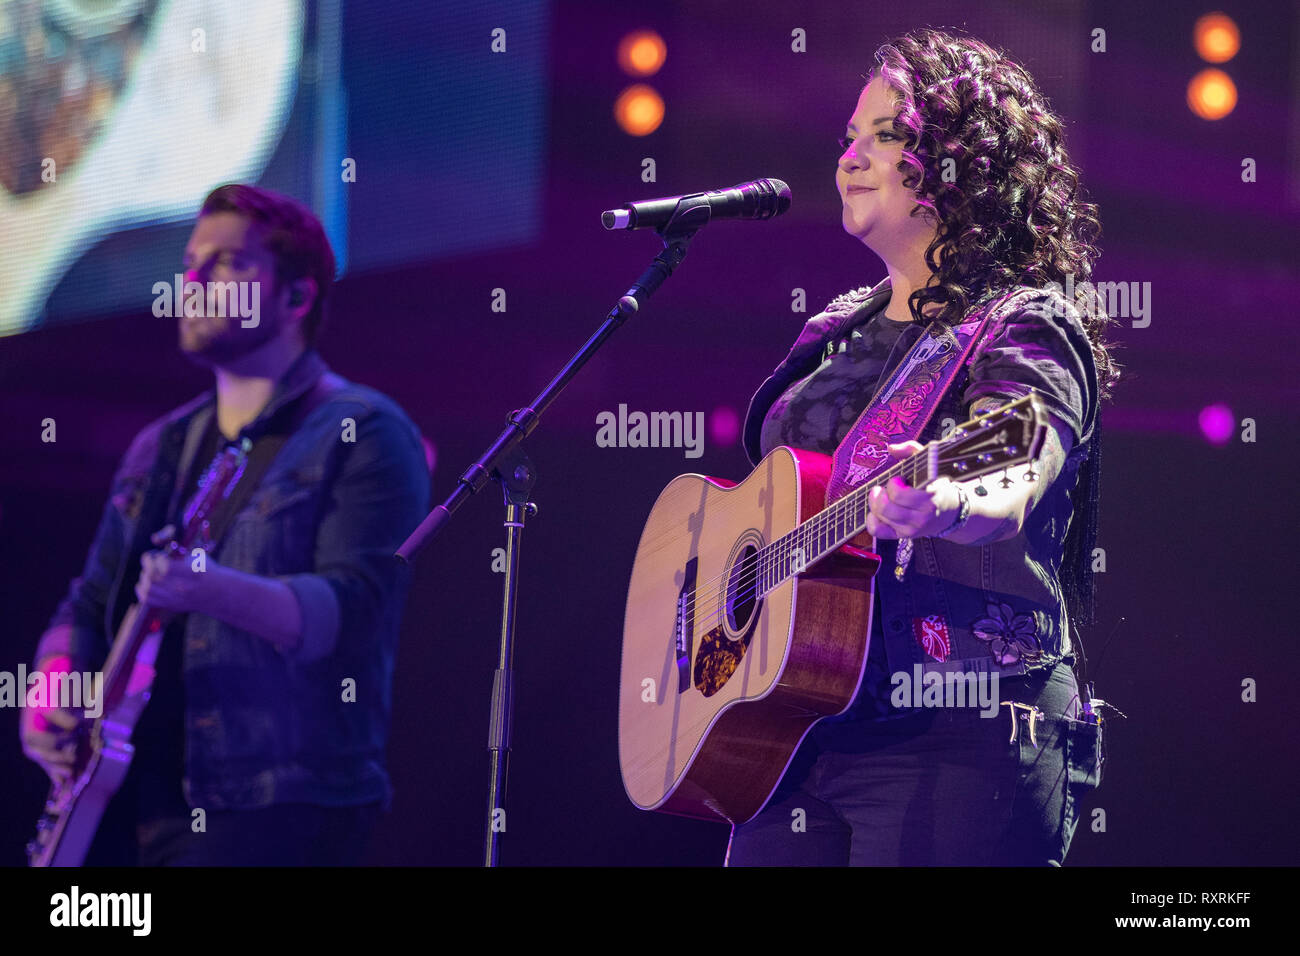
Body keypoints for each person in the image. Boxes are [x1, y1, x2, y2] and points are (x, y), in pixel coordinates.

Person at [725, 29, 1119, 866]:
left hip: (959, 727)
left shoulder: (1024, 323)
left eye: (888, 135)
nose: (851, 157)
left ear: (965, 162)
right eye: (848, 139)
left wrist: (949, 497)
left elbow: (1019, 455)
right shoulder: (833, 330)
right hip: (794, 729)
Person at [20, 183, 431, 865]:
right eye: (190, 262)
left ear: (296, 297)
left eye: (227, 264)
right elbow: (90, 601)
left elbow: (355, 612)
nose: (194, 280)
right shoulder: (162, 445)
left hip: (279, 814)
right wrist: (51, 688)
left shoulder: (366, 431)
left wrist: (207, 587)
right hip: (139, 806)